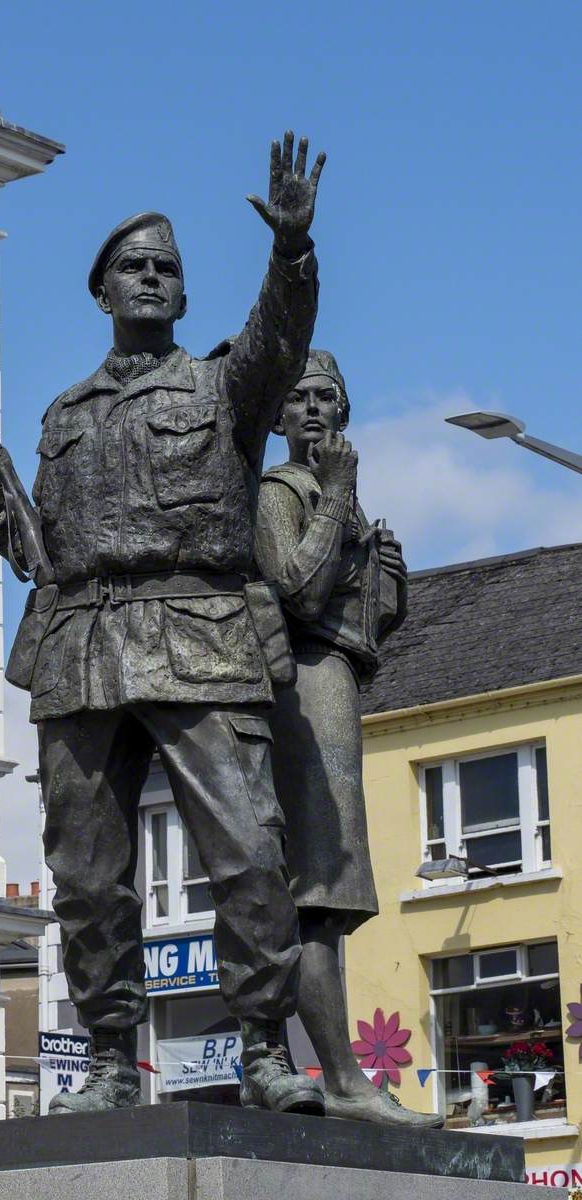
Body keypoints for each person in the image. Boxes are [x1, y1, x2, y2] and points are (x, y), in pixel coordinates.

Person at [0, 133, 327, 1115]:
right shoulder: (63, 414)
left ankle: (261, 1047)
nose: (151, 280)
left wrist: (290, 253)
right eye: (133, 269)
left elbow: (281, 337)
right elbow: (35, 547)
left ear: (184, 298)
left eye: (166, 270)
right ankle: (113, 1054)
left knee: (246, 848)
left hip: (199, 634)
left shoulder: (223, 389)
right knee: (85, 873)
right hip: (81, 644)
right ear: (103, 291)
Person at [254, 349, 443, 1127]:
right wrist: (335, 501)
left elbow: (363, 619)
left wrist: (386, 583)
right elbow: (295, 587)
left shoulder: (343, 500)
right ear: (276, 417)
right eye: (295, 399)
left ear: (344, 412)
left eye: (325, 397)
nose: (311, 409)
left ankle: (340, 1075)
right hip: (304, 682)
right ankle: (339, 1077)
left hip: (338, 678)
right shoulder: (280, 489)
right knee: (319, 893)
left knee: (327, 900)